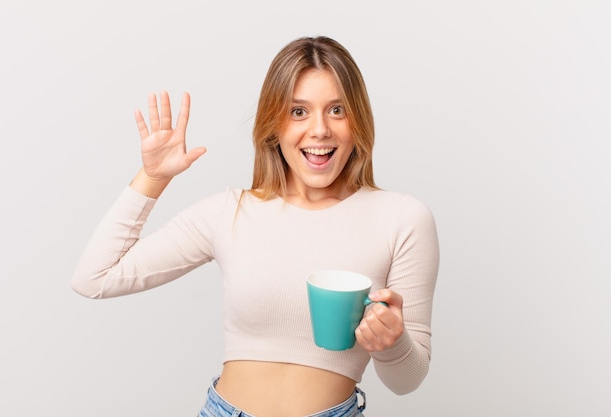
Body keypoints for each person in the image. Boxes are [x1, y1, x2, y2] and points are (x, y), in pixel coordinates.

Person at [72, 36, 439, 417]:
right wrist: (153, 177)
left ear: (358, 120)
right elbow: (94, 278)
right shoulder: (231, 212)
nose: (319, 130)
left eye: (337, 110)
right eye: (298, 111)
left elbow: (407, 381)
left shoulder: (402, 219)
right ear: (273, 125)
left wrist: (392, 341)